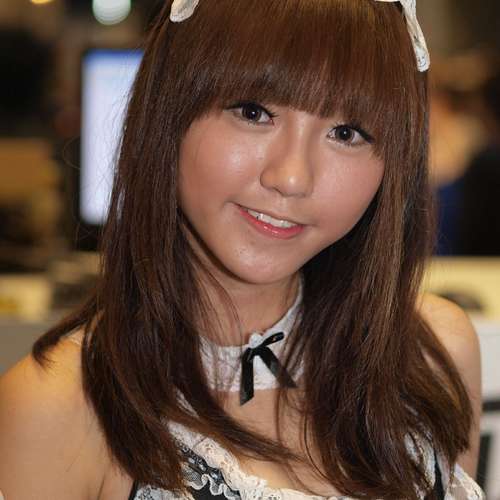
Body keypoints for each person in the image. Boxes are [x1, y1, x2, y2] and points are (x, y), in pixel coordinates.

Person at [0, 1, 485, 499]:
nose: (291, 177)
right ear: (169, 112)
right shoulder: (58, 408)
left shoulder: (430, 356)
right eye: (254, 112)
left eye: (346, 133)